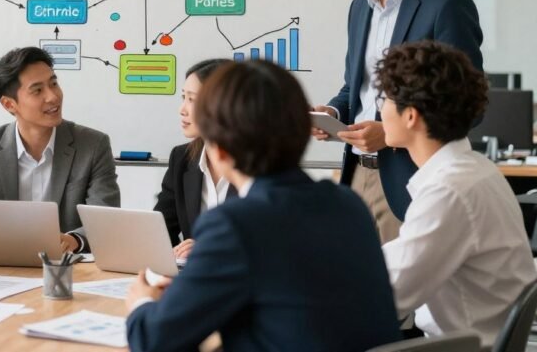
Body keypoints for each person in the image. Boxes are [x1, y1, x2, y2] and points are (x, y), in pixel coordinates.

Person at [125, 61, 401, 352]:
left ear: (217, 148)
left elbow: (153, 340)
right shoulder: (348, 204)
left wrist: (142, 302)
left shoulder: (236, 223)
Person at [311, 0, 483, 241]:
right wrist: (332, 113)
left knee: (400, 294)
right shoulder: (360, 7)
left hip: (409, 183)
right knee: (353, 290)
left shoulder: (446, 5)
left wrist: (389, 136)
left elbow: (466, 106)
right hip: (354, 176)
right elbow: (355, 89)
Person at [374, 41, 536, 345]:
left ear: (411, 116)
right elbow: (405, 257)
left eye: (384, 98)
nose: (379, 109)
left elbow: (387, 293)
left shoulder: (449, 190)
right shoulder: (474, 170)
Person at [0, 47, 120, 254]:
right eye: (38, 90)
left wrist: (73, 240)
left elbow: (106, 221)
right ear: (10, 104)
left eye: (53, 84)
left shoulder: (92, 145)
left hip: (65, 270)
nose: (53, 96)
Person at [152, 59, 233, 259]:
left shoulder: (262, 164)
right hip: (195, 279)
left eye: (192, 100)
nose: (182, 109)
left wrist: (211, 250)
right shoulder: (182, 158)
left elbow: (272, 242)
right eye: (183, 97)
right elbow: (160, 230)